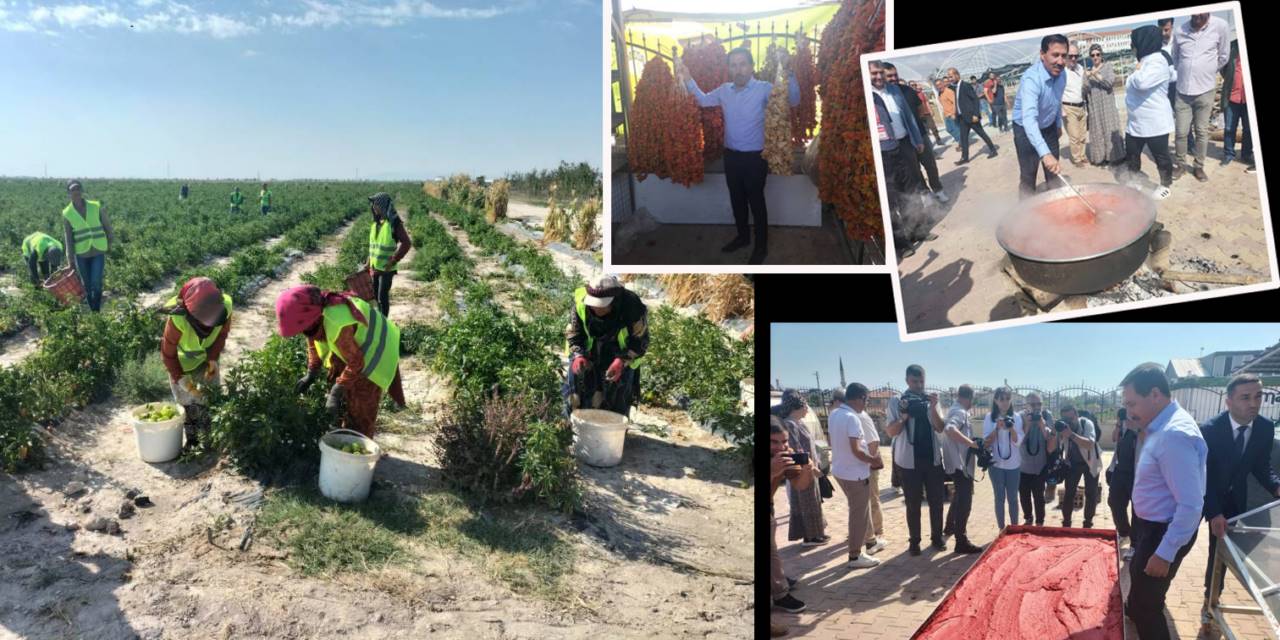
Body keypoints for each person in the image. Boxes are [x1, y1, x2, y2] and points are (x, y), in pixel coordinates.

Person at [676, 47, 800, 265]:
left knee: (756, 202)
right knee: (737, 200)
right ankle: (743, 237)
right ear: (729, 69)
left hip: (755, 158)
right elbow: (704, 100)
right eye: (733, 65)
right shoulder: (724, 90)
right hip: (731, 157)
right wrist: (688, 79)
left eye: (743, 64)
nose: (738, 69)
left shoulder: (763, 89)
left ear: (751, 66)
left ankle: (760, 246)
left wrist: (789, 72)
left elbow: (792, 100)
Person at [1124, 363, 1206, 640]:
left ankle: (1141, 614)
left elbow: (1191, 505)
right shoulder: (1161, 425)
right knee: (1138, 578)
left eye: (1132, 402)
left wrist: (1164, 553)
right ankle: (1133, 609)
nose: (1129, 410)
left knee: (1149, 607)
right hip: (1151, 526)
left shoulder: (1173, 435)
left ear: (1155, 394)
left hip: (1163, 532)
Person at [276, 284, 405, 438]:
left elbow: (357, 362)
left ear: (312, 318)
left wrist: (336, 392)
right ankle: (339, 433)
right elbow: (312, 340)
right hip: (353, 348)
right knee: (337, 389)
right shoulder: (315, 314)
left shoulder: (337, 323)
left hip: (374, 351)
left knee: (361, 408)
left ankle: (357, 447)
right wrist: (312, 371)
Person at [1200, 374, 1280, 622]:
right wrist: (1213, 512)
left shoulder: (1265, 428)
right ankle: (1208, 598)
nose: (1253, 403)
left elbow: (1261, 466)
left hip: (1238, 501)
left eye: (1258, 396)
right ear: (1229, 401)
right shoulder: (1210, 430)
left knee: (1222, 552)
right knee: (1210, 548)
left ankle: (1212, 597)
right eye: (1245, 397)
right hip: (1209, 497)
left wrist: (1277, 487)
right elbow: (1204, 476)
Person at [160, 277, 232, 452]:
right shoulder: (177, 321)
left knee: (209, 398)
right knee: (187, 403)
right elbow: (167, 354)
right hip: (180, 363)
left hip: (206, 359)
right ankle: (192, 440)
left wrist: (213, 359)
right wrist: (182, 380)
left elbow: (221, 335)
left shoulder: (225, 307)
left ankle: (209, 439)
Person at [565, 275, 649, 418]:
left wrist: (621, 361)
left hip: (621, 353)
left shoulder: (632, 307)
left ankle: (613, 433)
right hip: (589, 351)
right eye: (594, 304)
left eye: (602, 305)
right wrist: (579, 355)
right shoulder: (581, 303)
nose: (597, 309)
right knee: (576, 393)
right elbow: (574, 333)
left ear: (614, 301)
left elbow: (641, 341)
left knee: (617, 398)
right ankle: (573, 428)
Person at [885, 364, 946, 555]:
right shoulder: (897, 401)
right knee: (912, 504)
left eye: (922, 381)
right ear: (906, 381)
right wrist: (904, 417)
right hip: (908, 462)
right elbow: (891, 431)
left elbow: (940, 427)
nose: (919, 385)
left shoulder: (931, 400)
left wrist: (934, 407)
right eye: (914, 381)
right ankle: (914, 541)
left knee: (937, 502)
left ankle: (937, 538)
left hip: (933, 460)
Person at [869, 61, 926, 255]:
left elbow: (908, 116)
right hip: (883, 151)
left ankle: (917, 231)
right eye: (873, 73)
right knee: (891, 198)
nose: (878, 77)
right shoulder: (869, 97)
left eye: (880, 73)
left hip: (904, 145)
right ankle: (901, 244)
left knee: (911, 189)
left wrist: (917, 139)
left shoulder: (894, 90)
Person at [1170, 12, 1231, 182]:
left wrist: (1207, 71)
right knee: (1181, 131)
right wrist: (1186, 70)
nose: (1197, 15)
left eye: (1201, 13)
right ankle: (1181, 165)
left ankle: (1199, 167)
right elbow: (1175, 57)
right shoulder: (1180, 30)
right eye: (1194, 13)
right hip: (1182, 91)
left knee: (1201, 132)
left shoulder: (1221, 26)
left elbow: (1224, 56)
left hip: (1205, 90)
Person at [829, 384, 883, 570]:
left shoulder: (835, 414)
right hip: (855, 474)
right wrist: (873, 460)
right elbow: (856, 450)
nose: (866, 405)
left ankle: (866, 546)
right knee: (859, 515)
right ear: (860, 398)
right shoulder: (852, 417)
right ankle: (855, 555)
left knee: (859, 512)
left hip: (841, 470)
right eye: (866, 400)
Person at [1011, 35, 1068, 198]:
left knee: (1054, 172)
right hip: (1025, 130)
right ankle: (1025, 215)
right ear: (1042, 54)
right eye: (1055, 55)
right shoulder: (1031, 79)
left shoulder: (1062, 74)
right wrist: (1044, 153)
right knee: (1029, 175)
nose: (1060, 61)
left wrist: (1057, 124)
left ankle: (1057, 209)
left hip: (1049, 126)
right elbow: (1029, 120)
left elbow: (1057, 100)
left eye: (1064, 55)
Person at [1124, 26, 1177, 200]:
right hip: (1136, 121)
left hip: (1154, 122)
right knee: (1132, 152)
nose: (1133, 47)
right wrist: (1137, 69)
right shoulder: (1145, 60)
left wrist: (1135, 72)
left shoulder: (1158, 60)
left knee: (1161, 156)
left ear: (1144, 41)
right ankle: (1134, 180)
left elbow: (1141, 83)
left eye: (1135, 42)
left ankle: (1165, 184)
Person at [885, 64, 949, 204]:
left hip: (919, 134)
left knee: (930, 164)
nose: (894, 78)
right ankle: (925, 193)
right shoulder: (883, 96)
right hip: (903, 140)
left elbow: (920, 109)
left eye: (895, 75)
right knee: (914, 169)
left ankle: (938, 189)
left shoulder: (908, 91)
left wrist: (917, 126)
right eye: (889, 76)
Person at [777, 390, 829, 546]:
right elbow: (797, 450)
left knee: (813, 501)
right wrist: (811, 467)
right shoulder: (789, 424)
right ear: (797, 405)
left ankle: (816, 533)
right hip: (802, 472)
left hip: (809, 470)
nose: (808, 408)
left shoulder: (798, 423)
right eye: (806, 404)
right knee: (806, 503)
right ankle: (810, 537)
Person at [770, 417, 808, 616]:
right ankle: (780, 593)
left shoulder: (787, 455)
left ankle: (778, 580)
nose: (781, 447)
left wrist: (807, 469)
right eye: (774, 442)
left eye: (783, 441)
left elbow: (801, 485)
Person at [940, 384, 984, 553]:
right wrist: (971, 443)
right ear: (969, 398)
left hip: (956, 464)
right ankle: (961, 541)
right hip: (961, 465)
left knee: (959, 496)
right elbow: (950, 429)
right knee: (965, 502)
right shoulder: (960, 412)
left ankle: (950, 527)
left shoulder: (954, 409)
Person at [845, 385, 886, 554]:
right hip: (859, 465)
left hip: (867, 465)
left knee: (872, 500)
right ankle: (866, 535)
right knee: (861, 504)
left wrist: (871, 462)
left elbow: (874, 441)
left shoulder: (862, 417)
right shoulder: (849, 416)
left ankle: (878, 532)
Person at [61, 180, 114, 312]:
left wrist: (110, 242)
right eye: (73, 190)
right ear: (69, 193)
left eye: (78, 188)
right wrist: (70, 260)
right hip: (81, 254)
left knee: (96, 284)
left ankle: (96, 311)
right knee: (86, 285)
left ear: (82, 190)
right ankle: (93, 312)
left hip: (98, 250)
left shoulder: (95, 206)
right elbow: (68, 238)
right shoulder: (67, 213)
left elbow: (107, 225)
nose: (76, 192)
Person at [364, 192, 413, 317]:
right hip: (375, 268)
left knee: (382, 296)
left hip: (387, 268)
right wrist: (368, 262)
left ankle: (384, 322)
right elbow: (373, 247)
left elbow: (406, 243)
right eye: (373, 204)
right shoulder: (376, 224)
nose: (374, 207)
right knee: (375, 297)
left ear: (382, 205)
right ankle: (379, 321)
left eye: (376, 204)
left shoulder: (394, 223)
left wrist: (394, 260)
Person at [982, 387, 1023, 529]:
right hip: (996, 465)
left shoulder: (1016, 418)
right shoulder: (989, 417)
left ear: (1011, 400)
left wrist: (1011, 428)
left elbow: (1018, 442)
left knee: (1013, 498)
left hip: (1013, 465)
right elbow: (986, 442)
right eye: (1001, 399)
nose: (1004, 402)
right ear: (995, 400)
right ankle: (1001, 529)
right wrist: (997, 428)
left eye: (1007, 399)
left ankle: (1015, 527)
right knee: (999, 498)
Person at [1058, 404, 1101, 528]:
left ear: (1077, 415)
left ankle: (1088, 523)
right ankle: (1066, 522)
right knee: (1069, 493)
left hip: (1090, 462)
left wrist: (1071, 434)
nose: (1068, 423)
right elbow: (1056, 445)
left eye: (1070, 419)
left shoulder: (1087, 423)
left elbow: (1089, 444)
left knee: (1091, 493)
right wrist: (1057, 432)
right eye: (1065, 420)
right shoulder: (1064, 427)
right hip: (1073, 463)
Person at [1019, 393, 1057, 526]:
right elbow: (1018, 441)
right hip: (1022, 465)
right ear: (1026, 406)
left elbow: (1050, 438)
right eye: (1033, 404)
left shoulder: (1046, 416)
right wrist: (1028, 425)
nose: (1036, 408)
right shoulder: (1020, 416)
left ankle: (1040, 522)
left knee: (1039, 496)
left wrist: (1042, 424)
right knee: (1024, 496)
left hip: (1041, 465)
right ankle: (1028, 518)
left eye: (1039, 404)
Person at [1083, 45, 1125, 166]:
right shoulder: (1088, 71)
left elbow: (1109, 84)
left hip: (1107, 105)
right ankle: (1101, 158)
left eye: (1097, 54)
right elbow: (1084, 90)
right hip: (1094, 106)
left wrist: (1096, 75)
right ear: (1090, 57)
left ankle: (1115, 156)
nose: (1095, 57)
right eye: (1093, 55)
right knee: (1097, 131)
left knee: (1109, 129)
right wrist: (1087, 78)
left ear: (1101, 55)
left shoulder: (1108, 67)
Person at [1108, 408, 1140, 560]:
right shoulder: (1122, 425)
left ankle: (1135, 545)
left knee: (1137, 510)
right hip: (1119, 470)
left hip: (1136, 473)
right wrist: (1119, 424)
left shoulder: (1141, 423)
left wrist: (1135, 427)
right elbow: (1114, 439)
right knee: (1114, 502)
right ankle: (1124, 532)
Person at [948, 67, 997, 165]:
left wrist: (975, 114)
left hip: (971, 117)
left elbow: (975, 100)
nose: (950, 79)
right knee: (964, 138)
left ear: (957, 75)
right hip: (962, 118)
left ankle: (993, 150)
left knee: (981, 133)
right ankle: (964, 157)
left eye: (951, 76)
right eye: (949, 77)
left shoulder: (965, 85)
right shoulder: (955, 87)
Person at [1219, 37, 1252, 170]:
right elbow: (1223, 68)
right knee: (1229, 128)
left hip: (1247, 99)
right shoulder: (1231, 47)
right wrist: (1230, 80)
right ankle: (1229, 154)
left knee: (1249, 129)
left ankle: (1246, 154)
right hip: (1232, 96)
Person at [1061, 44, 1088, 167]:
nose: (1073, 59)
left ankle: (1082, 156)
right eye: (1070, 56)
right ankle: (1077, 159)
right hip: (1068, 107)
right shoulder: (1061, 72)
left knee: (1083, 134)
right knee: (1074, 135)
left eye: (1075, 56)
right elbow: (1056, 92)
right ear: (1065, 56)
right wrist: (1061, 109)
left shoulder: (1080, 68)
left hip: (1081, 106)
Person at [910, 81, 943, 147]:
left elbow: (926, 102)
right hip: (919, 116)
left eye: (914, 85)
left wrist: (930, 109)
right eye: (912, 85)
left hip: (926, 113)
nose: (914, 86)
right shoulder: (910, 95)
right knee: (925, 131)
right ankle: (929, 145)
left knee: (933, 127)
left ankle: (938, 139)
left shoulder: (921, 93)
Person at [936, 78, 962, 146]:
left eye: (940, 84)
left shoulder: (949, 92)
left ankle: (961, 143)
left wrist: (953, 113)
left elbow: (955, 102)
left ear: (943, 84)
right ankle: (962, 141)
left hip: (952, 114)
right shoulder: (940, 94)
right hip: (946, 115)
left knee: (956, 129)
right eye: (937, 85)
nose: (939, 86)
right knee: (949, 129)